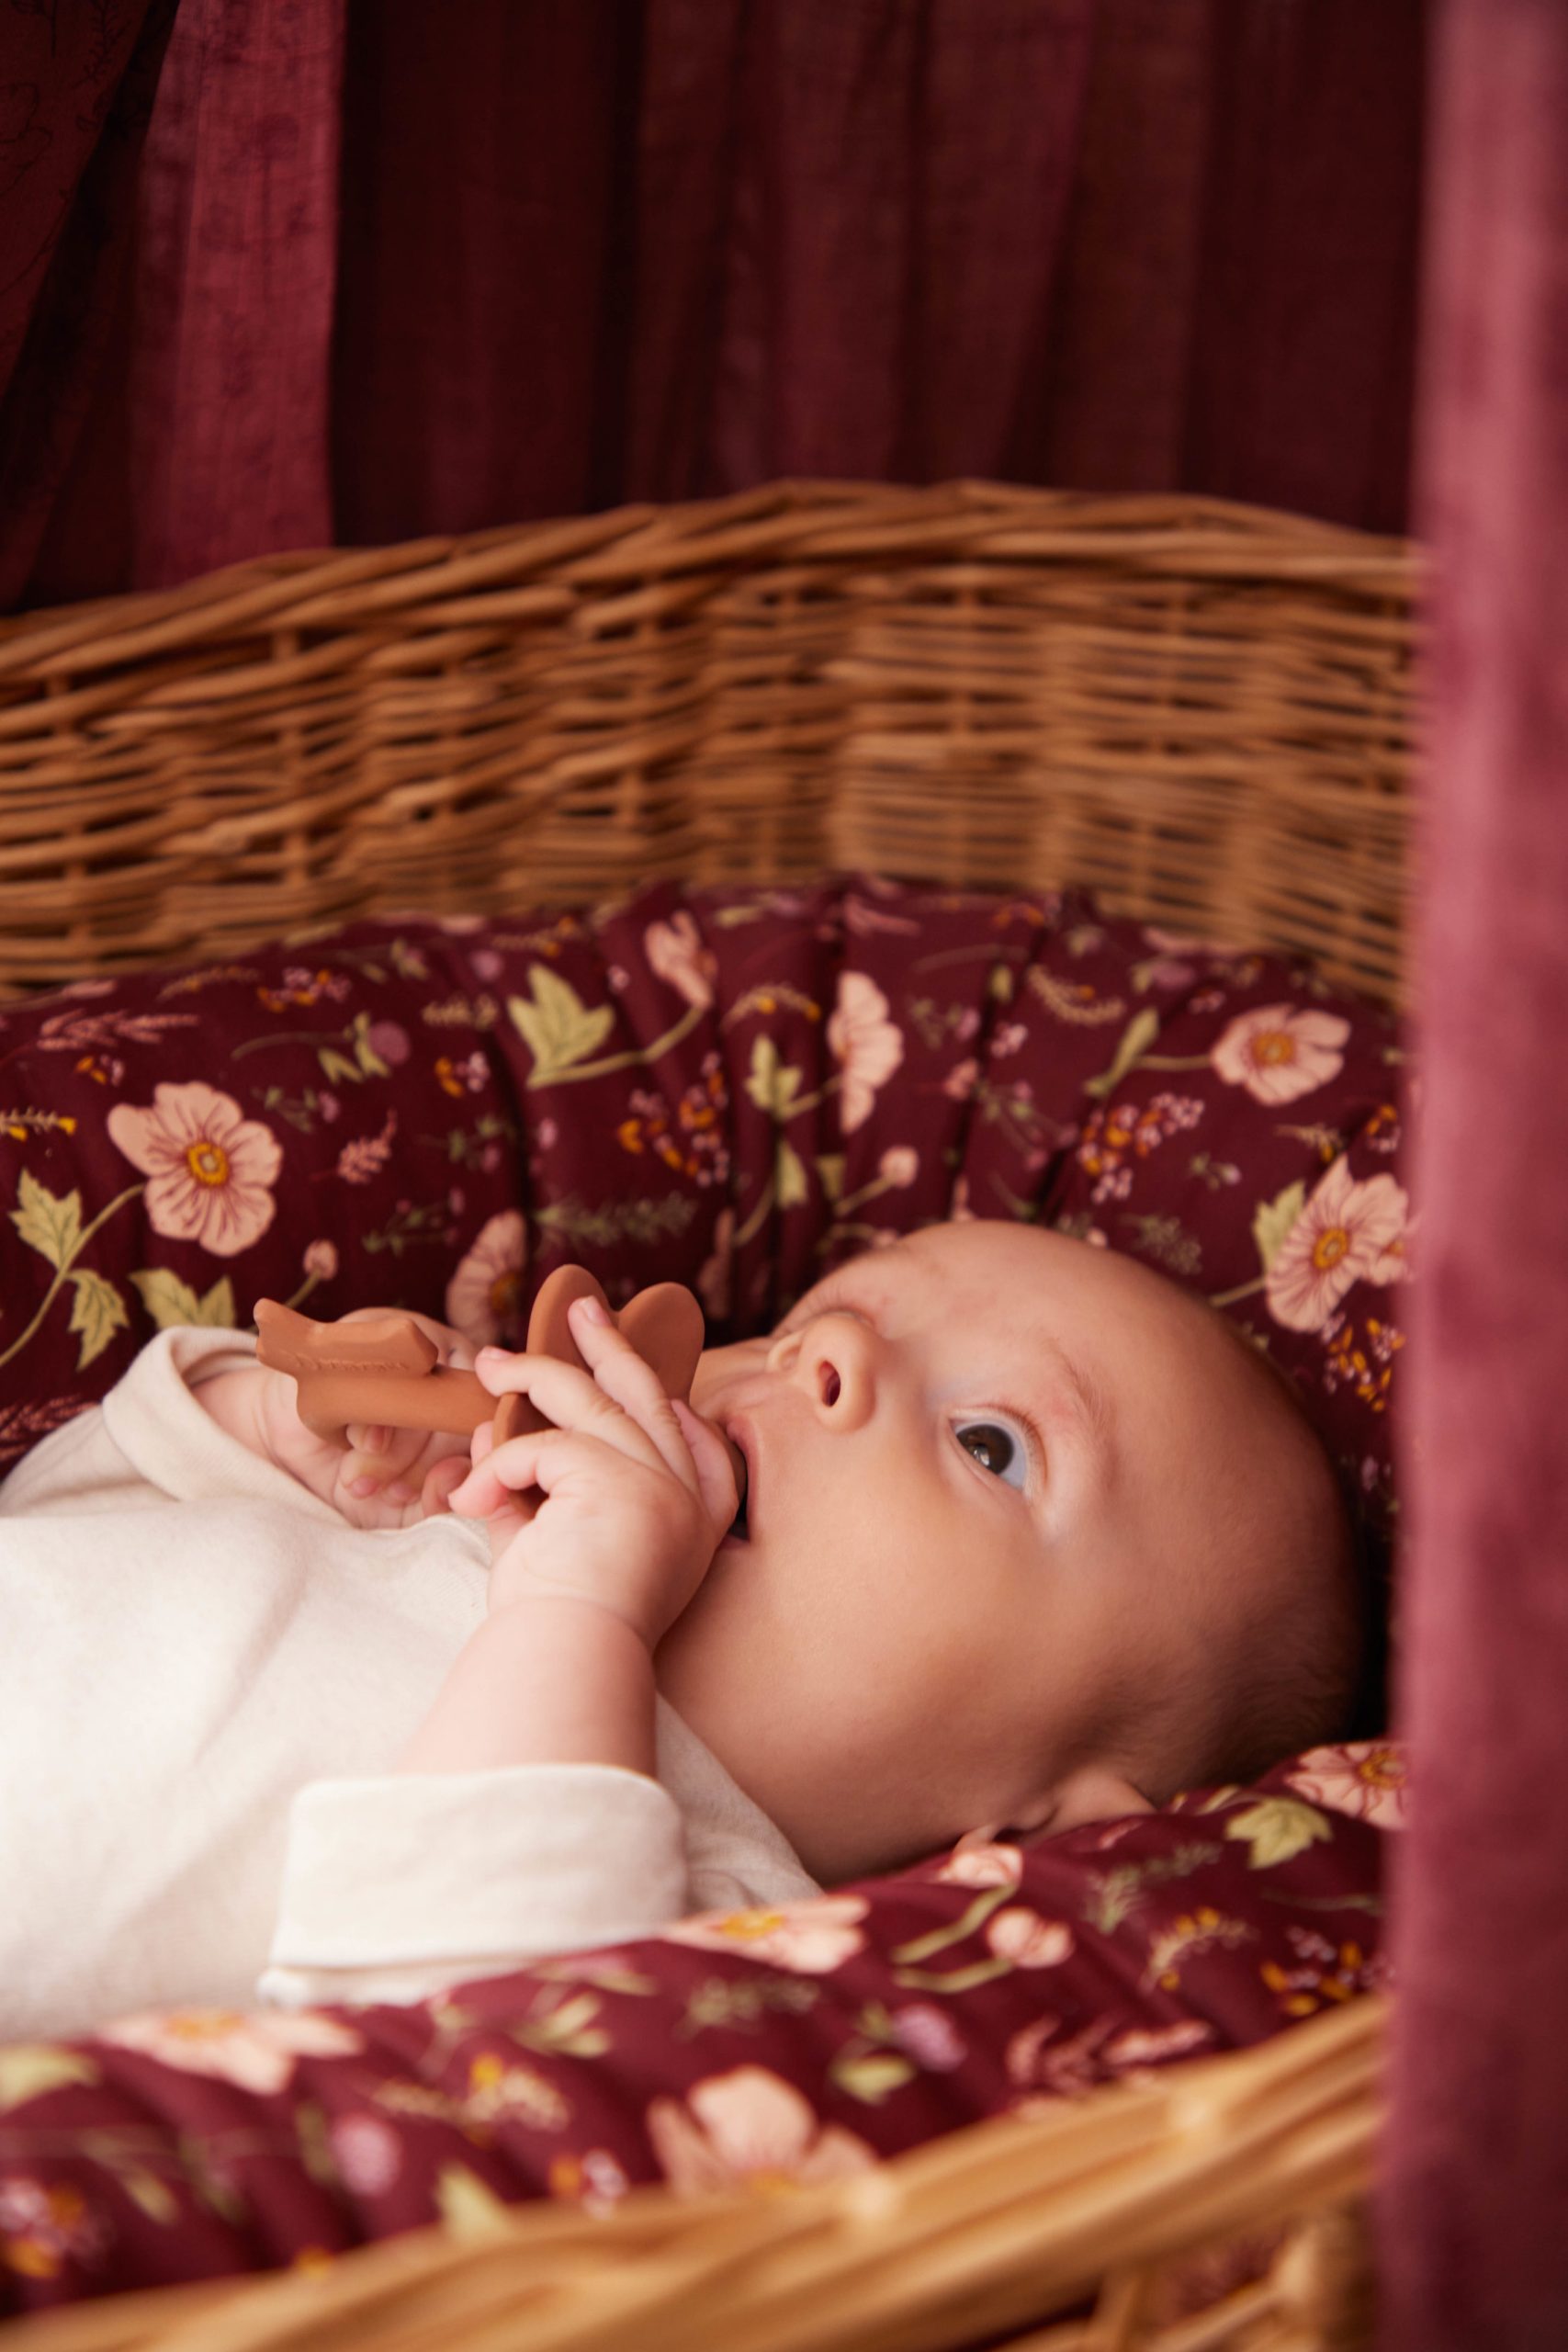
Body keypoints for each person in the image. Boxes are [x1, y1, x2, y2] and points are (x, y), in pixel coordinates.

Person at [0, 1221, 1359, 2041]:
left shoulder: (727, 1934)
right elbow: (58, 1518)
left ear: (1036, 1837)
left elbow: (453, 2064)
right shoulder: (438, 1530)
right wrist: (271, 1430)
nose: (828, 1352)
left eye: (990, 1443)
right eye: (829, 1312)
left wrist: (579, 1610)